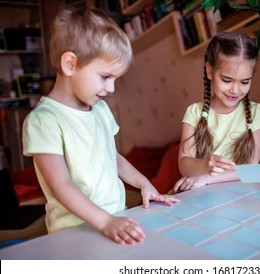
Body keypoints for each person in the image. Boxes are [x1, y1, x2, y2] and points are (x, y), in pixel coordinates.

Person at [22, 7, 179, 245]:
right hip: (74, 233)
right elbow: (61, 185)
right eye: (106, 77)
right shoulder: (44, 121)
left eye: (116, 79)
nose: (112, 88)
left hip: (116, 216)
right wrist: (105, 222)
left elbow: (113, 158)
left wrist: (145, 184)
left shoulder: (101, 110)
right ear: (70, 64)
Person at [173, 32, 260, 193]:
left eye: (245, 82)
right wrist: (205, 165)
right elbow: (184, 165)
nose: (235, 90)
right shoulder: (194, 112)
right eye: (227, 80)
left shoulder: (256, 113)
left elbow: (252, 169)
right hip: (202, 195)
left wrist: (208, 178)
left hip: (241, 196)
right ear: (210, 71)